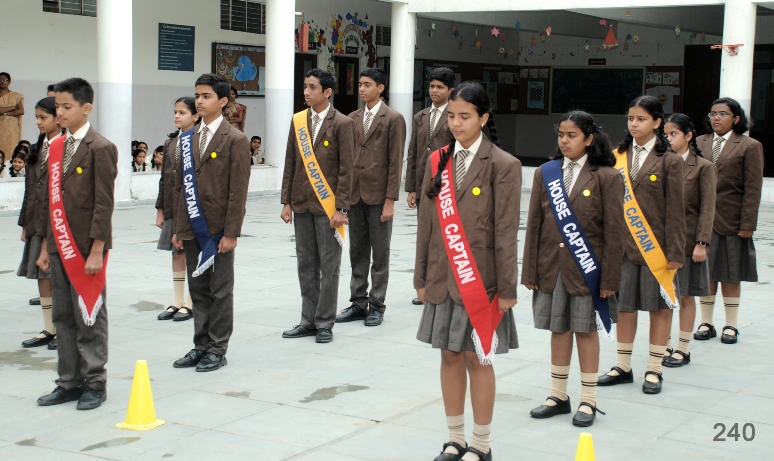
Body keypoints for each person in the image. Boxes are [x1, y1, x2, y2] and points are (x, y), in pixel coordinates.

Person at [415, 82, 520, 461]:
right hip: (443, 279)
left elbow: (507, 232)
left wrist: (507, 288)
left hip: (483, 282)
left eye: (465, 116)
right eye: (452, 116)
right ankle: (455, 438)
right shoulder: (436, 160)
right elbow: (427, 225)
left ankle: (481, 443)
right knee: (447, 355)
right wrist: (421, 278)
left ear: (484, 118)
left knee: (479, 358)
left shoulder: (504, 165)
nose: (456, 123)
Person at [523, 111, 625, 427]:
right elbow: (534, 224)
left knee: (585, 330)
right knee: (558, 329)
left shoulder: (607, 176)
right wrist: (530, 271)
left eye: (572, 136)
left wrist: (609, 278)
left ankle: (589, 399)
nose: (564, 141)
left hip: (588, 270)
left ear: (589, 139)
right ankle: (558, 395)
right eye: (561, 135)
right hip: (552, 268)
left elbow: (614, 231)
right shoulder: (546, 172)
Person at [35, 78, 118, 410]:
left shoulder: (101, 147)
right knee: (63, 316)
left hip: (86, 248)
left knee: (89, 315)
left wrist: (97, 248)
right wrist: (44, 247)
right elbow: (48, 201)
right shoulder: (54, 146)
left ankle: (95, 382)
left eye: (67, 106)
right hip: (57, 245)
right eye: (58, 107)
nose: (61, 112)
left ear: (86, 108)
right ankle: (68, 381)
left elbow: (104, 203)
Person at [597, 95, 685, 395]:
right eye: (631, 118)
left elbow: (676, 209)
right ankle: (623, 365)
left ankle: (655, 368)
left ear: (657, 123)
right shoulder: (615, 156)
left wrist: (675, 252)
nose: (634, 124)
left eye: (641, 119)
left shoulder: (670, 160)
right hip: (619, 247)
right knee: (624, 307)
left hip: (655, 249)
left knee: (659, 308)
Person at [171, 73, 250, 372]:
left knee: (220, 289)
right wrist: (179, 228)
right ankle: (200, 344)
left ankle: (217, 347)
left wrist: (231, 233)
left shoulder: (236, 140)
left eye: (205, 96)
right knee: (198, 289)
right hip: (191, 227)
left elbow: (237, 191)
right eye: (197, 96)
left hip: (217, 230)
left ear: (223, 101)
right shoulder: (188, 137)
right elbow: (180, 187)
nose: (199, 101)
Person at [280, 68, 355, 344]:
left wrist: (342, 209)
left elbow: (347, 170)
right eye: (304, 86)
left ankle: (325, 322)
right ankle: (307, 320)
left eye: (312, 87)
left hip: (329, 208)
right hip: (301, 204)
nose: (306, 92)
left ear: (327, 92)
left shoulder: (343, 124)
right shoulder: (298, 121)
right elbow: (291, 162)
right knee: (306, 264)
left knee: (329, 265)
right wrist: (286, 201)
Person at [336, 68, 406, 327]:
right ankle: (358, 302)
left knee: (381, 253)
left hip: (379, 197)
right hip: (355, 196)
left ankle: (377, 304)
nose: (362, 89)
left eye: (367, 84)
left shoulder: (394, 119)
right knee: (357, 251)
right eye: (360, 84)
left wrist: (390, 200)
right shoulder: (351, 118)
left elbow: (395, 161)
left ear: (381, 88)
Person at [694, 98, 763, 345]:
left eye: (723, 114)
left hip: (732, 219)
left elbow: (753, 187)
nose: (716, 118)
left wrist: (748, 223)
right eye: (713, 113)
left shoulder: (749, 145)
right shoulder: (699, 142)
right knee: (706, 272)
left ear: (735, 118)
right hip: (701, 219)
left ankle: (731, 325)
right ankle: (706, 322)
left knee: (731, 273)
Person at [661, 114, 717, 367]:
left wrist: (702, 242)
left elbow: (707, 208)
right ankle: (665, 344)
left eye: (673, 134)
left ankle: (683, 347)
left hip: (687, 242)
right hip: (661, 243)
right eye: (665, 134)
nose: (668, 138)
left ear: (688, 136)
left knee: (685, 296)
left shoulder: (703, 167)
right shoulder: (659, 163)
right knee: (664, 296)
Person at [406, 67, 455, 306]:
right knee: (425, 237)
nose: (434, 91)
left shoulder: (456, 116)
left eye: (440, 87)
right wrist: (412, 188)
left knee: (446, 237)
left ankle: (445, 286)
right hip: (424, 187)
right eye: (432, 86)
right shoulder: (421, 116)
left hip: (447, 185)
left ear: (450, 90)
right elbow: (413, 152)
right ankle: (424, 285)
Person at [18, 97, 62, 350]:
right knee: (42, 276)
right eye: (36, 117)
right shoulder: (38, 148)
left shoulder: (66, 146)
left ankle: (63, 328)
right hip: (37, 221)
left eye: (43, 117)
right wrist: (26, 223)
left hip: (58, 223)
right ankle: (49, 328)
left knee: (58, 275)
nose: (38, 122)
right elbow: (29, 190)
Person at [155, 97, 197, 322]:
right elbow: (164, 178)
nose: (177, 116)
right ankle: (177, 300)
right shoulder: (171, 142)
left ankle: (191, 301)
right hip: (172, 205)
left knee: (191, 251)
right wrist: (161, 208)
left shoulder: (198, 140)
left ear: (195, 116)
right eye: (175, 112)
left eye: (182, 112)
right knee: (176, 252)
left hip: (191, 206)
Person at [0, 72, 25, 157]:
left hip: (11, 128)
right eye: (0, 79)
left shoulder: (16, 96)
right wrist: (12, 107)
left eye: (5, 79)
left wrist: (5, 113)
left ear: (9, 81)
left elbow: (21, 111)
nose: (2, 81)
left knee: (11, 149)